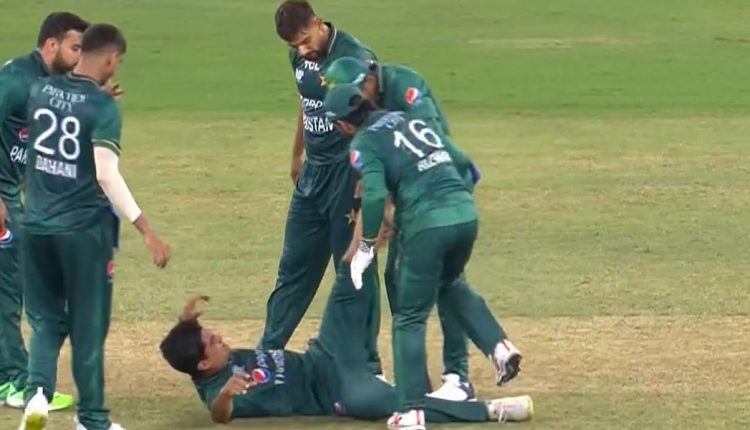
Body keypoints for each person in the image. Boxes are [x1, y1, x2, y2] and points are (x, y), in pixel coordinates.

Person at [323, 84, 522, 430]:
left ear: (343, 124)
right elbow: (462, 160)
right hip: (465, 213)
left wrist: (367, 246)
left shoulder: (363, 143)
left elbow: (374, 196)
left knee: (409, 317)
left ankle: (411, 411)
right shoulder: (407, 118)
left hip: (428, 224)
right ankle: (500, 347)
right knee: (450, 283)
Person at [19, 23, 171, 430]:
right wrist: (145, 229)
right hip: (83, 232)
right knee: (88, 326)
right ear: (109, 57)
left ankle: (37, 395)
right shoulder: (103, 109)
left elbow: (61, 115)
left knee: (46, 320)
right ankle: (91, 419)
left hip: (35, 225)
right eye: (118, 61)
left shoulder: (40, 90)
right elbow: (105, 174)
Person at [160, 295, 533, 426]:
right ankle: (491, 410)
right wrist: (227, 394)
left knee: (351, 278)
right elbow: (219, 415)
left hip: (323, 353)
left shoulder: (202, 359)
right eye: (211, 341)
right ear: (203, 365)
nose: (219, 337)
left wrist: (187, 322)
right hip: (336, 393)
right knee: (400, 406)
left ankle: (370, 236)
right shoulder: (217, 392)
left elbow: (189, 346)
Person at [259, 0, 382, 375]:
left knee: (354, 269)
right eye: (294, 46)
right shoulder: (300, 56)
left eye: (304, 40)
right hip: (313, 173)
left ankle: (368, 363)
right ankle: (267, 356)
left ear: (317, 23)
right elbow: (307, 101)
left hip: (346, 174)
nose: (302, 51)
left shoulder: (356, 59)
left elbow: (375, 122)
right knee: (293, 267)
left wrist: (369, 179)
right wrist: (297, 153)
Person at [0, 11, 90, 411]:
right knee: (8, 288)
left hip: (14, 195)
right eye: (75, 48)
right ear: (51, 45)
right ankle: (11, 381)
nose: (80, 57)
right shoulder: (16, 80)